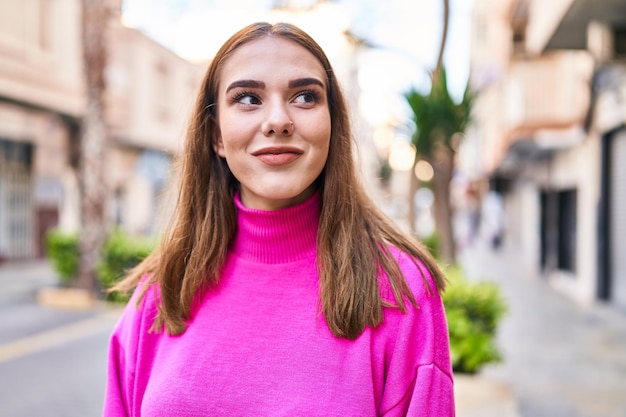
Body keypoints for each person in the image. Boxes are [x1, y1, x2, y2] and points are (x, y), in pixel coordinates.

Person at [103, 22, 454, 416]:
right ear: (216, 135)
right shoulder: (160, 294)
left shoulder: (402, 292)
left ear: (333, 125)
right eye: (248, 98)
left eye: (305, 97)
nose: (277, 120)